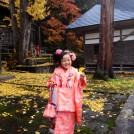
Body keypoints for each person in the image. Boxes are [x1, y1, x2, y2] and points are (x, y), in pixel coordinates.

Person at [46, 49, 86, 134]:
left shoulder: (75, 71)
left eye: (68, 60)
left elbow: (80, 84)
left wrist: (82, 78)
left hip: (70, 100)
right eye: (64, 61)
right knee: (57, 121)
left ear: (71, 60)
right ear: (60, 62)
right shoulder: (56, 71)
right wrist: (51, 84)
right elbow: (50, 81)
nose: (66, 62)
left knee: (69, 121)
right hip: (58, 100)